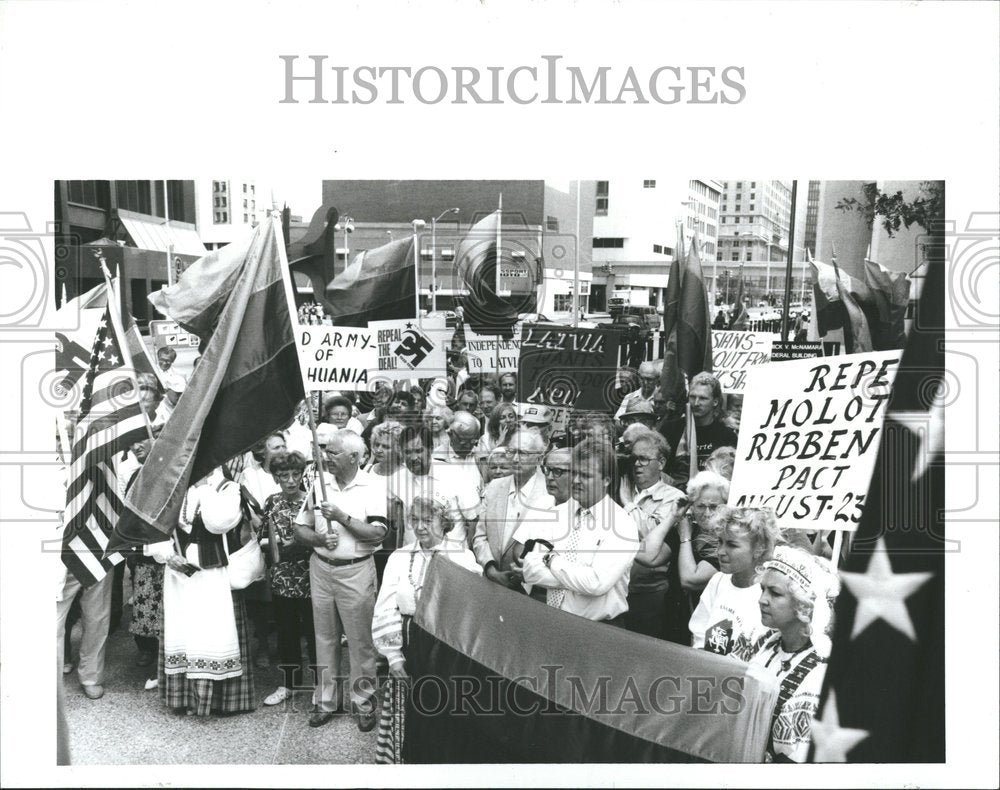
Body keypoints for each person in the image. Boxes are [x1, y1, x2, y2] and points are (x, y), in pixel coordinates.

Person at [372, 496, 482, 764]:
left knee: (443, 707)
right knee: (409, 705)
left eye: (427, 520)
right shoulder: (399, 557)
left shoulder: (463, 557)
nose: (420, 527)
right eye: (415, 520)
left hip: (447, 647)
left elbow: (472, 610)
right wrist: (394, 657)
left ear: (443, 523)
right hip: (409, 641)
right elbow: (385, 606)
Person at [294, 430, 388, 731]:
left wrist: (343, 517)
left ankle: (363, 702)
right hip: (321, 568)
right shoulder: (319, 483)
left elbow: (378, 534)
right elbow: (299, 529)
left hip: (356, 570)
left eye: (333, 452)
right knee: (324, 637)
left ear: (354, 457)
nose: (326, 457)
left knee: (360, 641)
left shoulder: (373, 485)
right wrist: (319, 537)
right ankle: (326, 701)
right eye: (326, 451)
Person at [158, 473, 257, 716]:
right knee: (185, 629)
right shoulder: (173, 485)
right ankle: (185, 698)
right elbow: (155, 528)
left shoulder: (228, 488)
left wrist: (203, 488)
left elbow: (218, 523)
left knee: (214, 633)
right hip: (179, 573)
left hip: (214, 575)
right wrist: (167, 555)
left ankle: (220, 701)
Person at [517, 440, 639, 623]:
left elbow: (596, 583)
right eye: (574, 473)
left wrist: (550, 559)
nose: (575, 481)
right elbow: (529, 569)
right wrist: (577, 578)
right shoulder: (558, 512)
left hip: (598, 631)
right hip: (552, 622)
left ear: (606, 480)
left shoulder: (621, 524)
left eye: (585, 475)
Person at [749, 546, 840, 762]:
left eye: (775, 593)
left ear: (803, 606)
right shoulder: (765, 647)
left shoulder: (821, 669)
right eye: (763, 589)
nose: (762, 599)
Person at [258, 451, 315, 707]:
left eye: (295, 474)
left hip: (312, 577)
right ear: (275, 477)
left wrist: (299, 543)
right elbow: (261, 536)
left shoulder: (312, 501)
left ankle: (321, 685)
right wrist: (276, 545)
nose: (291, 481)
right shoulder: (271, 502)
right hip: (282, 577)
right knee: (286, 632)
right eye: (284, 476)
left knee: (315, 634)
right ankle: (288, 684)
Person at [689, 506, 779, 662]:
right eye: (720, 542)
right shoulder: (718, 581)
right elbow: (699, 632)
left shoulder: (767, 593)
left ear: (758, 549)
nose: (720, 551)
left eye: (732, 545)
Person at [621, 431, 687, 640]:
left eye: (644, 459)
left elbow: (652, 537)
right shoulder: (622, 487)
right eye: (633, 458)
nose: (637, 464)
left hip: (648, 592)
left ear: (661, 463)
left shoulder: (674, 498)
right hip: (615, 587)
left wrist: (628, 505)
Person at [474, 430, 555, 591]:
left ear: (539, 458)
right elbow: (480, 535)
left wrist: (526, 573)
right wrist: (491, 570)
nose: (516, 459)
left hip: (530, 588)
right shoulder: (494, 487)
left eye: (523, 453)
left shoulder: (549, 493)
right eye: (512, 452)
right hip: (492, 583)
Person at [388, 426, 480, 549]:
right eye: (408, 452)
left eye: (419, 450)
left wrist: (465, 554)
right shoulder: (396, 479)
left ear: (431, 449)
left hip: (450, 558)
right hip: (413, 558)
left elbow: (473, 520)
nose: (413, 457)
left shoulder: (457, 475)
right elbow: (394, 524)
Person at [660, 372, 739, 485]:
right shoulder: (670, 429)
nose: (696, 403)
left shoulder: (727, 435)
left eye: (703, 398)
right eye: (692, 397)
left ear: (715, 401)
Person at [676, 471, 730, 604]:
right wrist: (673, 516)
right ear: (692, 506)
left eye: (713, 507)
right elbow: (649, 556)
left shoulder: (728, 541)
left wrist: (685, 538)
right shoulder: (688, 527)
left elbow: (689, 580)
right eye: (700, 506)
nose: (707, 513)